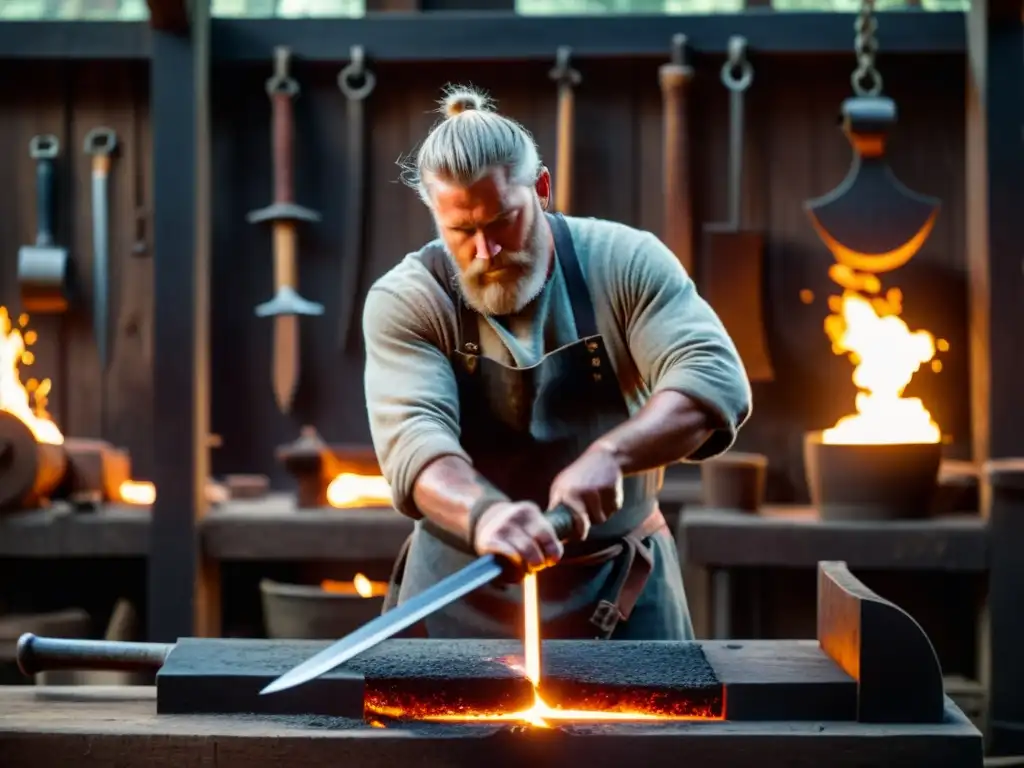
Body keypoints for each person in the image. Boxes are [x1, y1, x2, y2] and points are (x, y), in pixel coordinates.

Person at [363, 85, 752, 641]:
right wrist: (486, 515)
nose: (485, 251)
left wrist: (613, 454)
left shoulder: (624, 262)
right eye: (461, 231)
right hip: (461, 589)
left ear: (541, 189)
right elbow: (415, 444)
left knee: (658, 731)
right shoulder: (408, 299)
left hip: (617, 588)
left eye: (500, 221)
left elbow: (713, 380)